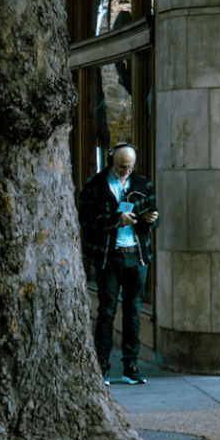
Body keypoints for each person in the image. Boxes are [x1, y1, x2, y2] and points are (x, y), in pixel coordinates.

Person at [78, 142, 158, 386]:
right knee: (107, 311)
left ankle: (130, 367)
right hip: (108, 256)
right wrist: (117, 219)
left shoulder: (143, 184)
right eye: (122, 167)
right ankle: (102, 367)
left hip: (137, 254)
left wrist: (151, 220)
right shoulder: (94, 185)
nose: (126, 171)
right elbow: (86, 220)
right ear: (111, 161)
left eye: (130, 167)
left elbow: (150, 221)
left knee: (133, 311)